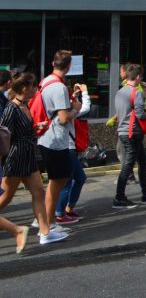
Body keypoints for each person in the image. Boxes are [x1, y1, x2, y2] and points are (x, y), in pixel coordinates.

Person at [0, 73, 68, 247]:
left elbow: (19, 130)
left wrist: (35, 127)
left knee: (39, 192)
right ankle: (42, 231)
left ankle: (45, 233)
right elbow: (4, 134)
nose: (35, 89)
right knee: (6, 197)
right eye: (32, 86)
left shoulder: (24, 106)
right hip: (16, 157)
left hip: (27, 155)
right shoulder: (11, 108)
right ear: (24, 88)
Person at [36, 50, 81, 229]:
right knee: (56, 184)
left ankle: (47, 221)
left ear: (53, 63)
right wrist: (76, 108)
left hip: (45, 137)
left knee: (55, 183)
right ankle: (48, 223)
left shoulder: (45, 81)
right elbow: (63, 118)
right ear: (69, 67)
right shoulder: (59, 87)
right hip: (55, 140)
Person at [113, 63, 146, 208]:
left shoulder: (120, 92)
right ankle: (119, 198)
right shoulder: (137, 92)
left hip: (124, 131)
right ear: (138, 77)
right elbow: (141, 114)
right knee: (128, 166)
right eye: (141, 76)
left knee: (142, 162)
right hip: (133, 133)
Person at [56, 81, 91, 223]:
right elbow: (85, 108)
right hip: (67, 149)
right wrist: (85, 92)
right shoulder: (67, 111)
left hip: (65, 148)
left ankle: (67, 209)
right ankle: (59, 213)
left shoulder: (63, 107)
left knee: (77, 179)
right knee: (67, 181)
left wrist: (75, 95)